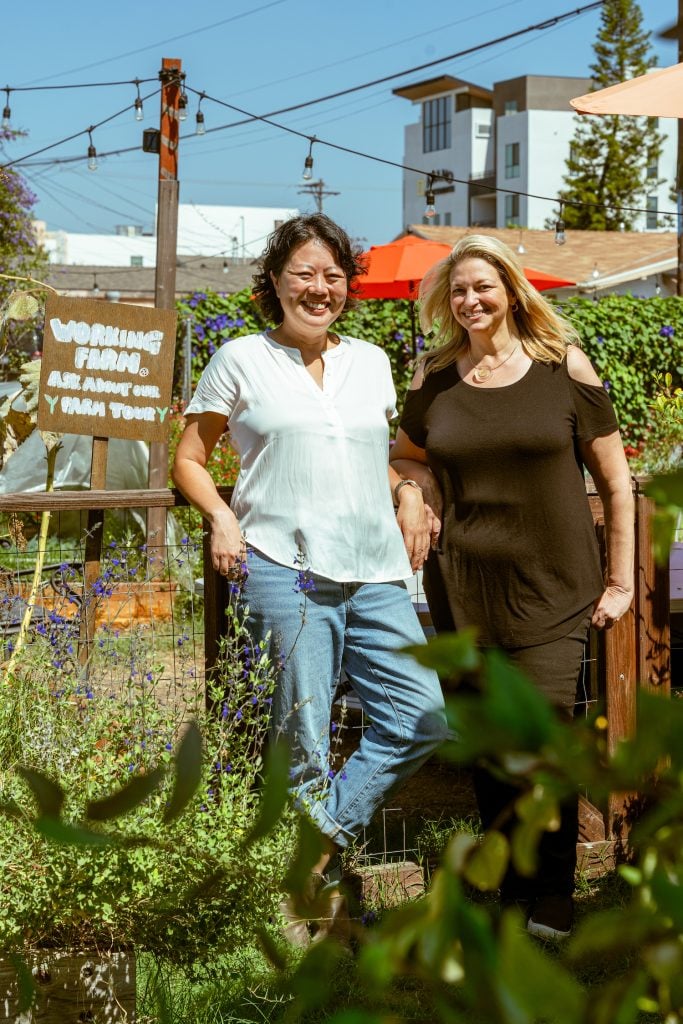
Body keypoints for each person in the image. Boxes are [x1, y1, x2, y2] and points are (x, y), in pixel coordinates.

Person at [172, 214, 448, 932]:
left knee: (420, 716)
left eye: (332, 276)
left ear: (346, 288)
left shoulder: (370, 362)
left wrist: (410, 493)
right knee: (299, 739)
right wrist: (221, 517)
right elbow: (189, 458)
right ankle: (307, 908)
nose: (319, 288)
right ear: (273, 282)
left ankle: (309, 852)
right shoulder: (239, 358)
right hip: (282, 565)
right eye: (303, 274)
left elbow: (375, 458)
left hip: (377, 570)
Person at [389, 233, 634, 940]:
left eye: (481, 286)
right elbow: (405, 457)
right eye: (457, 290)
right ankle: (510, 897)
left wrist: (618, 580)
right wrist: (411, 492)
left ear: (510, 289)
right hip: (462, 592)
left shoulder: (564, 367)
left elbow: (616, 483)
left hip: (555, 590)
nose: (469, 300)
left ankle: (551, 898)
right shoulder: (433, 376)